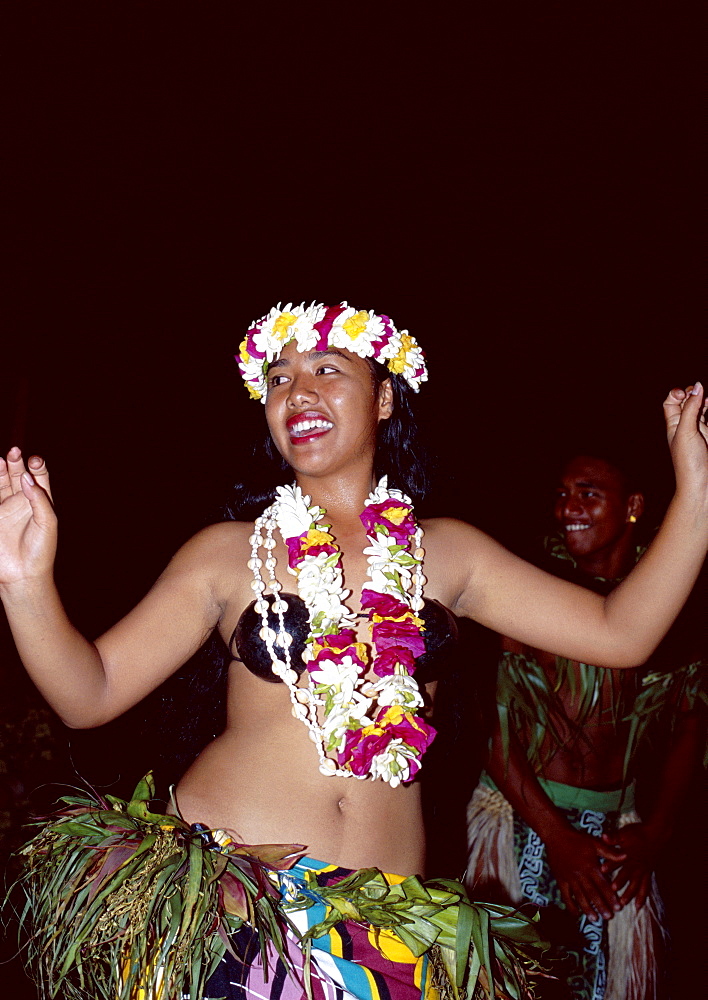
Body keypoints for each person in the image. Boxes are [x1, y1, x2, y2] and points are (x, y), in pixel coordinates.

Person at [1, 302, 706, 1000]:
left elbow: (622, 632)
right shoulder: (227, 554)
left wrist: (697, 498)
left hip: (385, 927)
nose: (296, 391)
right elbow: (87, 694)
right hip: (232, 902)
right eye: (277, 378)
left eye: (326, 369)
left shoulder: (449, 554)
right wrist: (23, 580)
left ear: (386, 397)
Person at [465, 452, 706, 1000]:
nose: (567, 508)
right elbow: (489, 727)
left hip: (621, 836)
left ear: (634, 507)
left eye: (588, 493)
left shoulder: (676, 602)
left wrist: (655, 833)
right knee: (515, 981)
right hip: (524, 820)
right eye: (561, 493)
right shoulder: (528, 586)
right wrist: (556, 836)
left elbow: (691, 724)